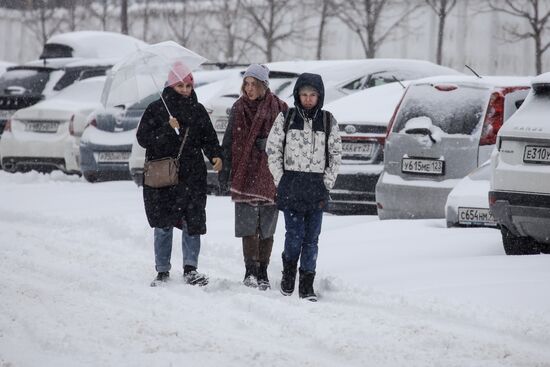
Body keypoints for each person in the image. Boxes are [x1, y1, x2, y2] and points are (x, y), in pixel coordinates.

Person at [137, 62, 223, 287]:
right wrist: (166, 127)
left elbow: (208, 138)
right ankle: (162, 271)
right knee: (163, 223)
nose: (185, 90)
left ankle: (190, 269)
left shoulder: (198, 109)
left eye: (188, 85)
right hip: (164, 176)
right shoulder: (156, 109)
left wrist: (215, 155)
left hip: (193, 175)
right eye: (180, 85)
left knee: (192, 222)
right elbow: (143, 138)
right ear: (170, 85)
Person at [266, 72, 342, 301]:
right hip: (292, 188)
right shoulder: (286, 118)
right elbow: (273, 149)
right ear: (297, 95)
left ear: (320, 96)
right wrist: (281, 180)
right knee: (294, 236)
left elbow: (336, 155)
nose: (308, 99)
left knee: (311, 239)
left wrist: (326, 183)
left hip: (316, 190)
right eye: (304, 94)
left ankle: (307, 283)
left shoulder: (328, 121)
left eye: (313, 95)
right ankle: (288, 275)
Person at [219, 64, 288, 290]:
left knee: (266, 226)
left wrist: (269, 144)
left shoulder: (279, 108)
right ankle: (250, 270)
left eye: (253, 84)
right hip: (244, 173)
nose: (249, 89)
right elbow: (228, 141)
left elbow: (289, 142)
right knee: (248, 225)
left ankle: (264, 271)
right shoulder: (238, 108)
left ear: (263, 85)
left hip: (270, 174)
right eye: (246, 84)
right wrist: (224, 170)